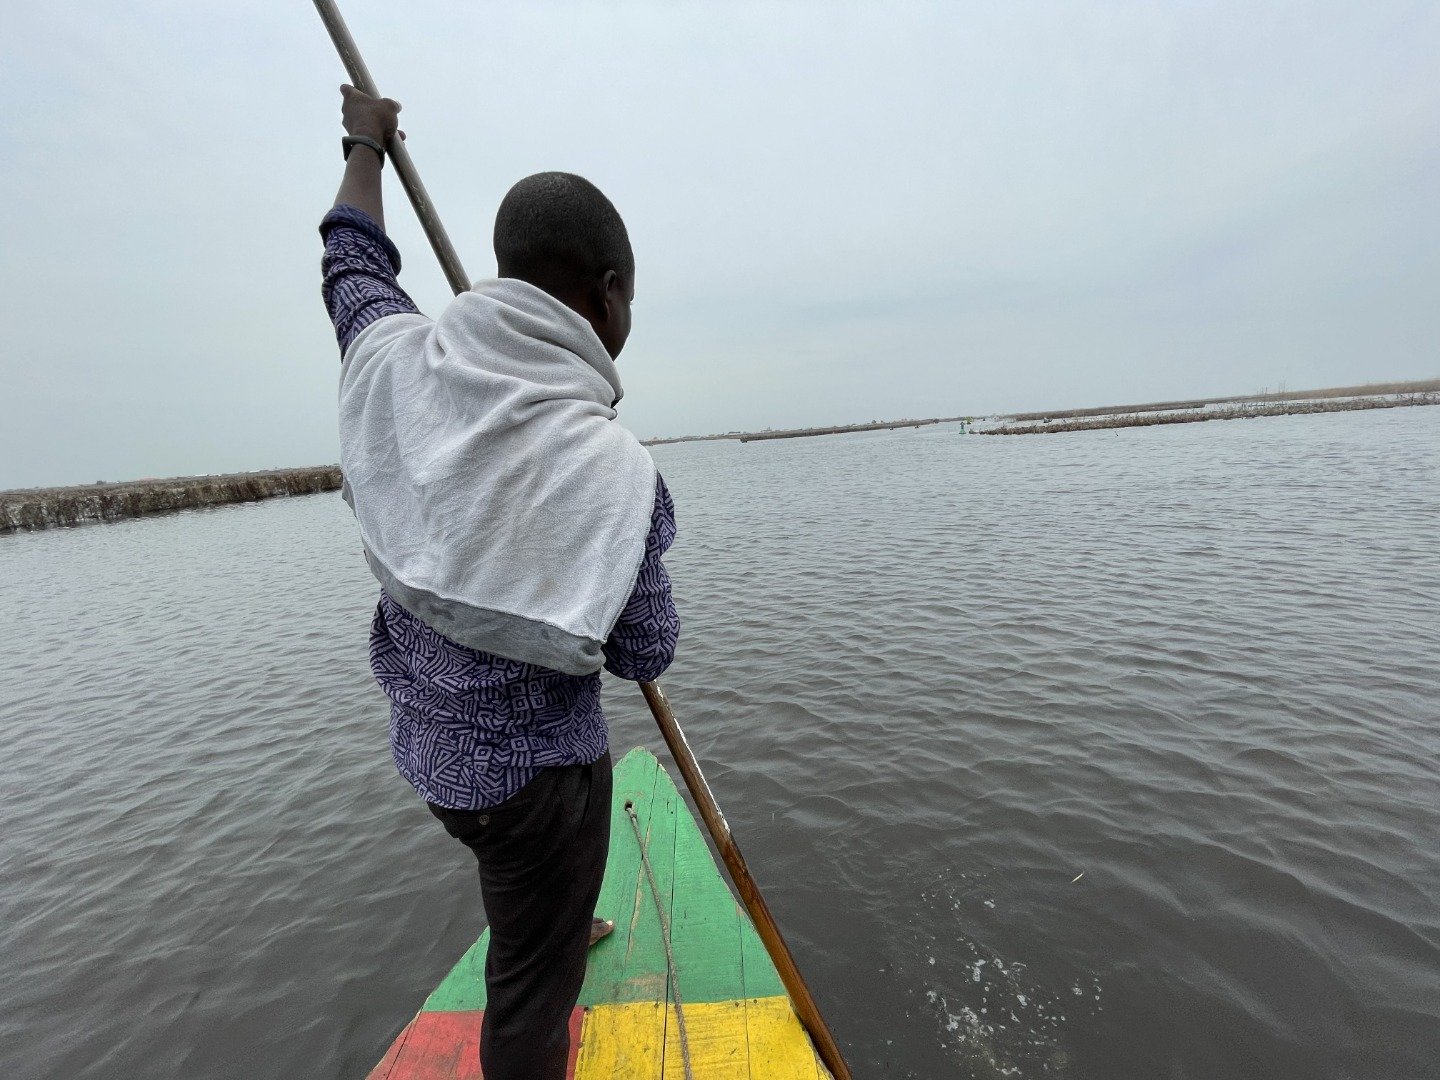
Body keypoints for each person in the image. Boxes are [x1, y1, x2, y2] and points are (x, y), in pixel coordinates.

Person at [318, 84, 679, 1080]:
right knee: (532, 989)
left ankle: (558, 916)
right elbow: (647, 649)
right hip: (533, 790)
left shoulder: (396, 360)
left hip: (433, 755)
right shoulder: (614, 471)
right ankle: (550, 946)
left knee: (519, 888)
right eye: (631, 299)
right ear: (608, 295)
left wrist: (365, 147)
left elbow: (352, 262)